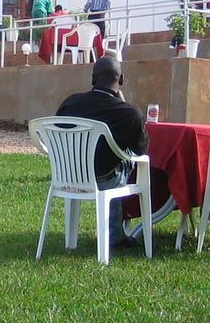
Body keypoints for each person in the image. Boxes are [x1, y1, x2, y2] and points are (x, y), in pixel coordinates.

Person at [56, 56, 149, 249]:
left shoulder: (70, 103)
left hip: (68, 175)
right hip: (104, 178)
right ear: (121, 80)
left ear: (93, 79)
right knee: (126, 161)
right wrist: (125, 103)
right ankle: (115, 234)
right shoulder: (127, 113)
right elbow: (141, 149)